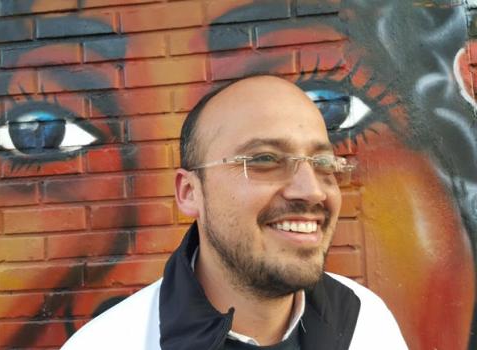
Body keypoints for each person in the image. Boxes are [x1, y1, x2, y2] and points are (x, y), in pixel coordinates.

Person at [61, 75, 407, 349]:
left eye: (321, 162)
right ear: (189, 193)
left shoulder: (366, 321)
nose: (312, 190)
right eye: (264, 160)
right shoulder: (110, 343)